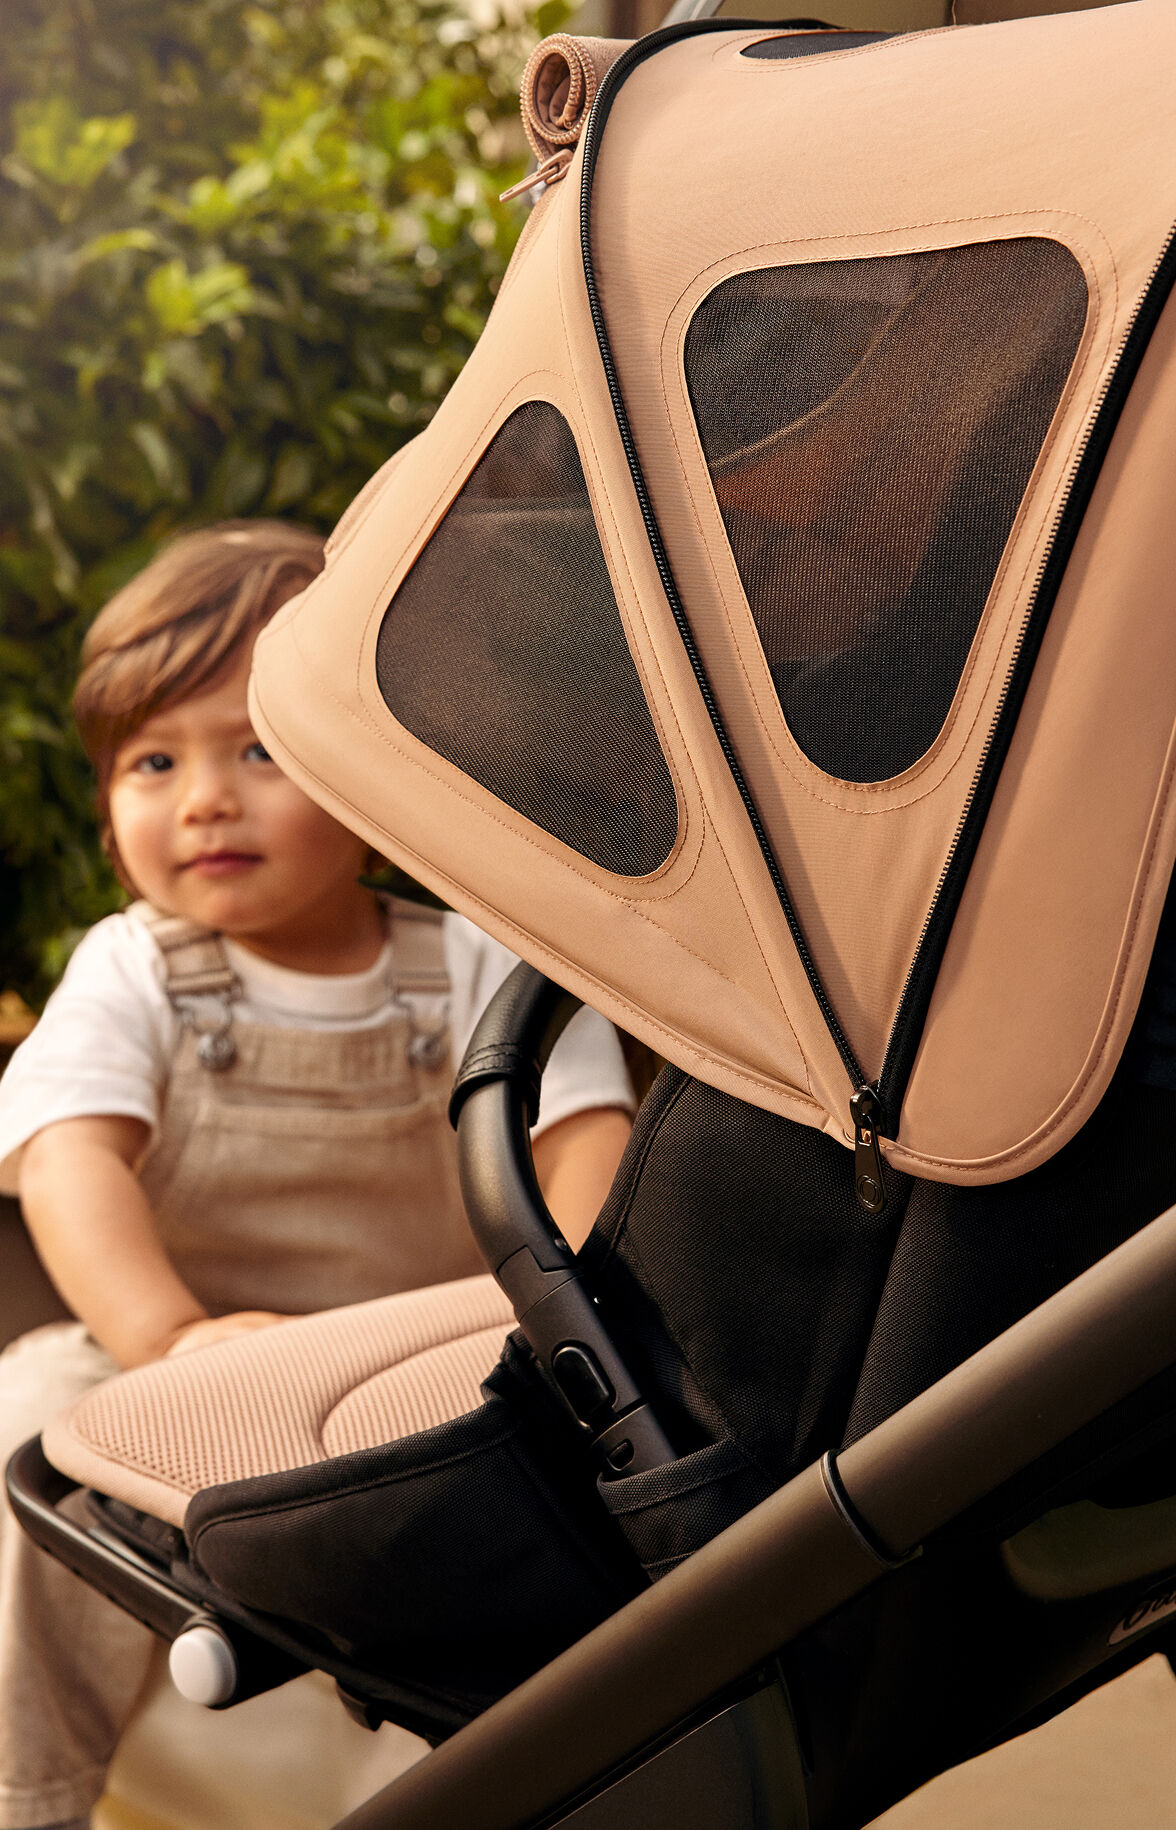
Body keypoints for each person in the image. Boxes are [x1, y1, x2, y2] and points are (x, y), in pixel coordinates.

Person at [0, 519, 634, 1830]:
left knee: (560, 1519)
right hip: (168, 1373)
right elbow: (69, 1157)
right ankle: (27, 1787)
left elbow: (583, 1140)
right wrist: (164, 1330)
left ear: (376, 762)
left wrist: (570, 1326)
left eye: (259, 748)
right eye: (152, 760)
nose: (203, 798)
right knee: (31, 1413)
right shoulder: (135, 968)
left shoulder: (468, 958)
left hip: (414, 1385)